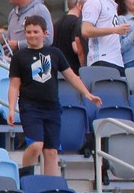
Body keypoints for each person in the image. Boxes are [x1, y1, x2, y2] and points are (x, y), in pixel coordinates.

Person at [8, 16, 102, 174]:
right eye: (28, 32)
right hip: (30, 107)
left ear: (44, 33)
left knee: (51, 151)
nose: (31, 35)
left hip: (52, 107)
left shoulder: (54, 53)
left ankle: (51, 186)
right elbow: (14, 85)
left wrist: (87, 93)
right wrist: (11, 108)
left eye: (35, 32)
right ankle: (25, 176)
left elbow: (71, 76)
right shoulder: (19, 56)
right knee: (36, 144)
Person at [79, 0, 133, 69]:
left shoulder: (110, 2)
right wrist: (114, 30)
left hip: (116, 60)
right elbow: (86, 31)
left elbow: (128, 8)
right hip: (102, 60)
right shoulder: (94, 2)